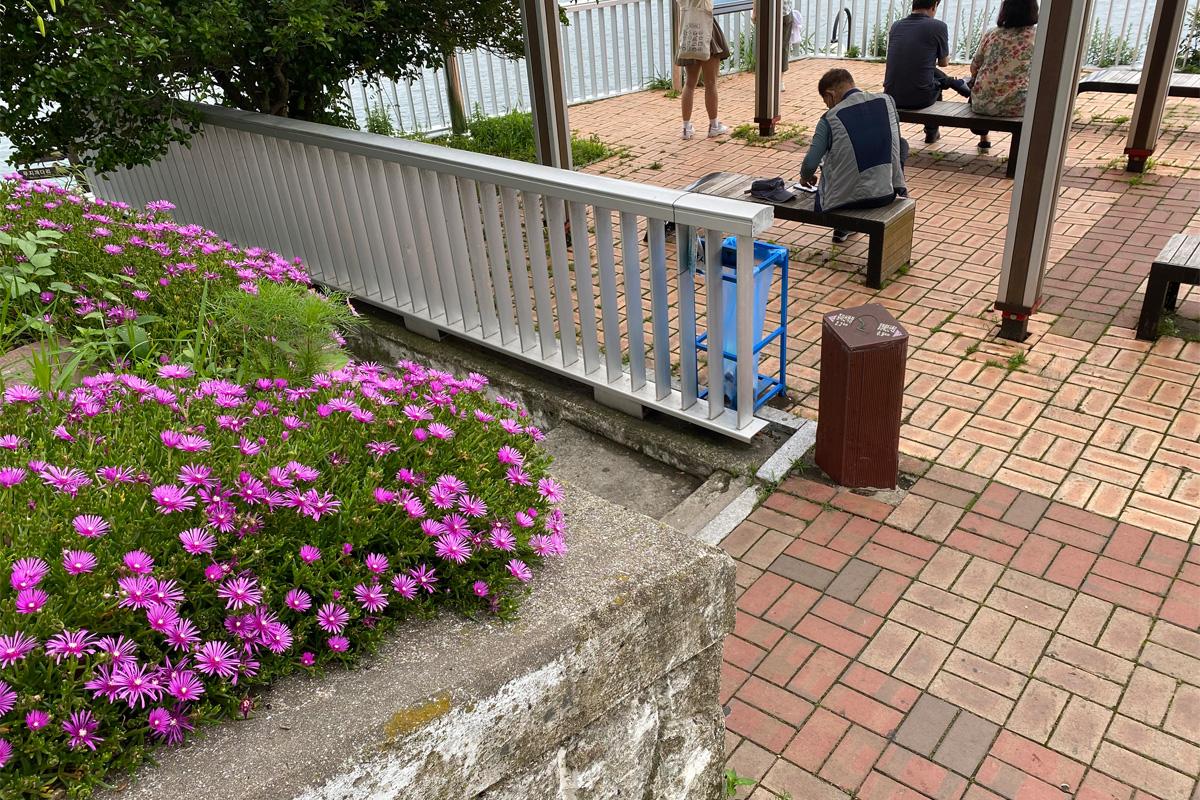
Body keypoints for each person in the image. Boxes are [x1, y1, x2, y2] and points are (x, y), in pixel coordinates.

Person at [798, 69, 908, 243]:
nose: (827, 106)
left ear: (830, 95)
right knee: (901, 144)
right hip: (885, 194)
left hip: (842, 201)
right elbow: (893, 141)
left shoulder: (829, 118)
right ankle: (893, 184)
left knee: (835, 154)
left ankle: (842, 228)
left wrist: (805, 177)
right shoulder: (887, 101)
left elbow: (810, 162)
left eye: (826, 101)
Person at [883, 0, 971, 144]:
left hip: (892, 95)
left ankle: (957, 83)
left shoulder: (896, 26)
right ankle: (932, 132)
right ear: (934, 6)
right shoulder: (938, 26)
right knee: (935, 82)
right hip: (919, 99)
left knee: (929, 72)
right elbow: (944, 63)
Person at [969, 0, 1038, 149]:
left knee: (984, 83)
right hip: (1019, 104)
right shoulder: (1037, 37)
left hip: (983, 104)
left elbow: (974, 67)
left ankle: (984, 138)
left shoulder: (992, 34)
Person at [677, 0, 732, 140]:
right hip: (707, 34)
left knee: (689, 83)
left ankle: (686, 128)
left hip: (689, 36)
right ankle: (714, 125)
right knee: (710, 83)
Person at [750, 0, 797, 90]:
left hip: (769, 13)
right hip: (784, 12)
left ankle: (765, 81)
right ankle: (779, 81)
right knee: (782, 48)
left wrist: (755, 11)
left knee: (764, 47)